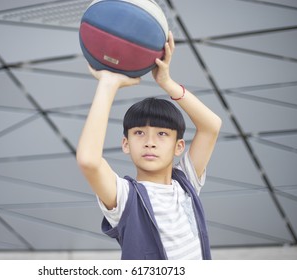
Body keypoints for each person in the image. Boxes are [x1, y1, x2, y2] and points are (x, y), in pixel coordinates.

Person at [76, 31, 222, 260]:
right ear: (126, 144)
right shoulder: (125, 197)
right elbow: (89, 160)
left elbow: (212, 126)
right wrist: (108, 84)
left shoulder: (186, 182)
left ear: (179, 146)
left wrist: (166, 82)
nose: (150, 142)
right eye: (139, 133)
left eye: (162, 133)